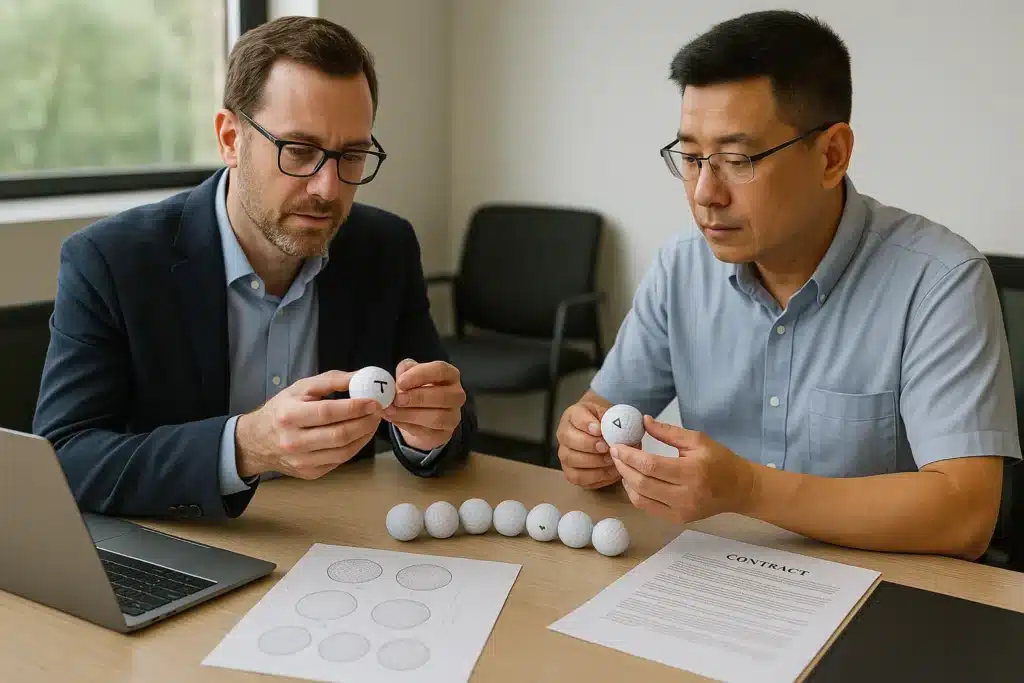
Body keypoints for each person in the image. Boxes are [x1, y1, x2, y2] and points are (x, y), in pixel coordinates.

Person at [555, 10, 1020, 560]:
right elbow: (602, 408)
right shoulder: (681, 266)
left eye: (737, 159)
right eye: (692, 158)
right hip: (711, 570)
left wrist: (749, 490)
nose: (705, 194)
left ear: (831, 156)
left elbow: (967, 513)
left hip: (884, 584)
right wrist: (583, 441)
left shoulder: (940, 280)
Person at [33, 16, 475, 521]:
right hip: (183, 539)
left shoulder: (385, 247)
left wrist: (426, 432)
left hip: (340, 537)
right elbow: (64, 458)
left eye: (352, 155)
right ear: (230, 139)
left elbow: (453, 417)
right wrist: (244, 446)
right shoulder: (111, 261)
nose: (328, 188)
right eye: (299, 151)